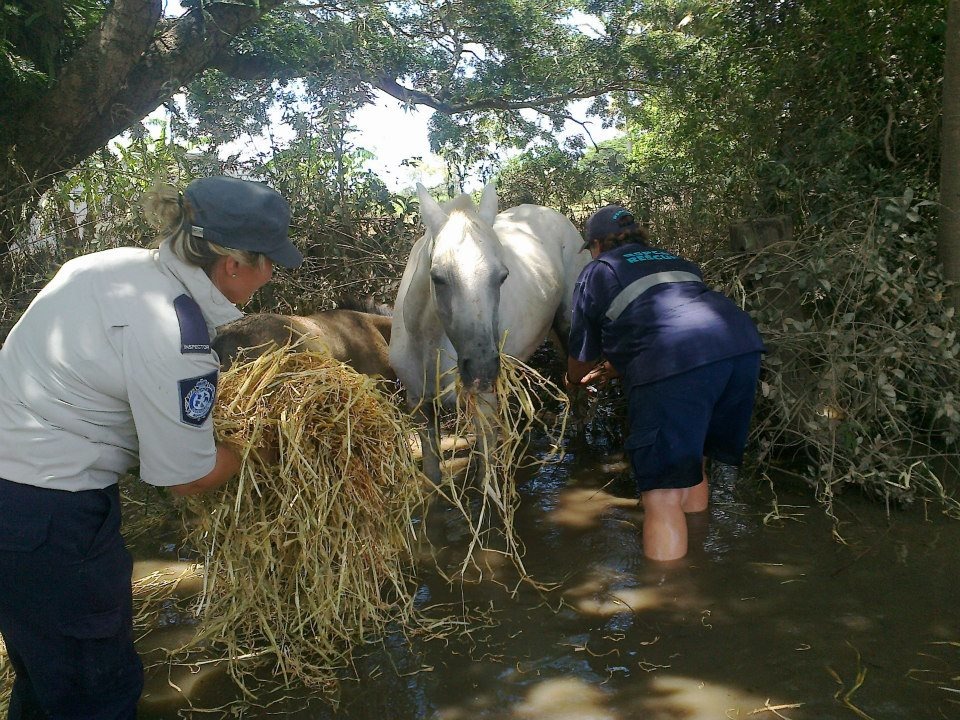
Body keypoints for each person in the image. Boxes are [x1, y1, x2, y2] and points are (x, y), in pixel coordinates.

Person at [0, 175, 302, 718]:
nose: (272, 274)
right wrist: (259, 447)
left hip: (15, 505)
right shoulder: (177, 334)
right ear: (234, 264)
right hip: (51, 518)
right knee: (97, 694)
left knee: (45, 680)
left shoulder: (102, 266)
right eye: (269, 261)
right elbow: (187, 478)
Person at [566, 204, 765, 562]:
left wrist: (574, 381)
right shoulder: (679, 261)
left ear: (596, 245)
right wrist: (621, 365)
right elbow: (673, 317)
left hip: (677, 361)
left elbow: (582, 356)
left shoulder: (598, 270)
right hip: (739, 348)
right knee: (692, 464)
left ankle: (670, 595)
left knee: (661, 493)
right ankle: (700, 551)